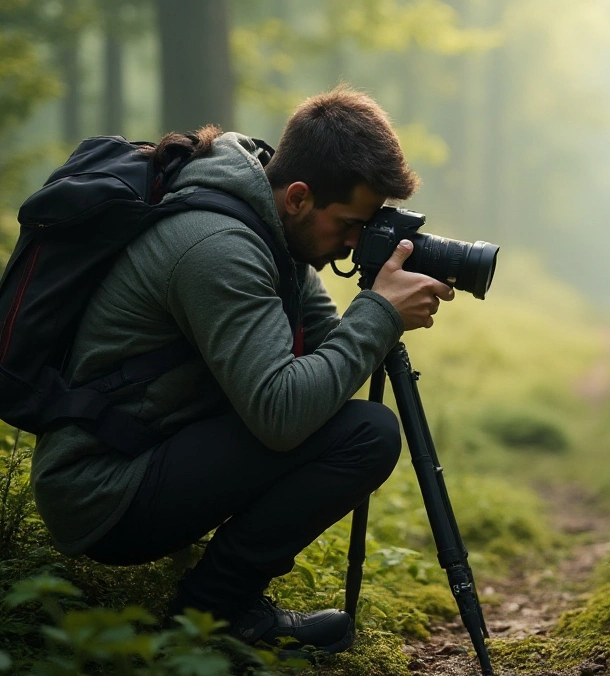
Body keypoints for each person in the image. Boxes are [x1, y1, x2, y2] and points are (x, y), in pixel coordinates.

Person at [28, 88, 454, 654]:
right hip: (102, 490)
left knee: (355, 427)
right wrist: (378, 314)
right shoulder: (220, 245)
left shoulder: (273, 229)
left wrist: (382, 306)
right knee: (366, 435)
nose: (353, 242)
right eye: (349, 224)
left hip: (156, 448)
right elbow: (281, 414)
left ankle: (226, 608)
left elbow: (326, 349)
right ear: (299, 196)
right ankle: (212, 615)